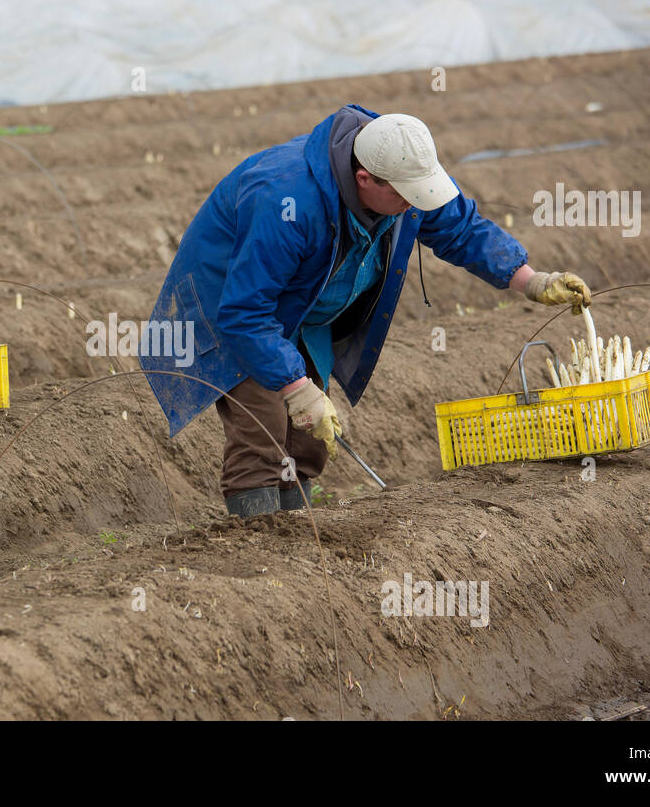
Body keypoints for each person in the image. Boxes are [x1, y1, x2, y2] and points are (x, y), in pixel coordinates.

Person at [141, 105, 591, 517]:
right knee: (264, 432)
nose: (415, 205)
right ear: (364, 180)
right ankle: (258, 551)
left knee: (307, 442)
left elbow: (461, 228)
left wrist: (532, 280)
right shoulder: (284, 199)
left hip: (303, 304)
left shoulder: (403, 168)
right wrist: (297, 387)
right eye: (406, 197)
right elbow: (244, 312)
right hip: (233, 306)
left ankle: (294, 531)